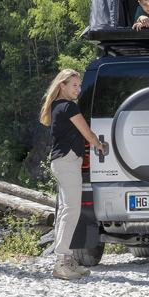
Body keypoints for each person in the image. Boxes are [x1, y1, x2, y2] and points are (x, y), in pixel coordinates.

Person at [40, 69, 106, 280]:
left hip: (63, 162)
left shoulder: (56, 106)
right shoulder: (69, 107)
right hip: (67, 162)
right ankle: (61, 262)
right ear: (63, 86)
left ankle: (66, 259)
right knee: (71, 211)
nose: (78, 89)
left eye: (79, 85)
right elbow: (87, 133)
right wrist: (100, 145)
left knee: (65, 212)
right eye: (74, 85)